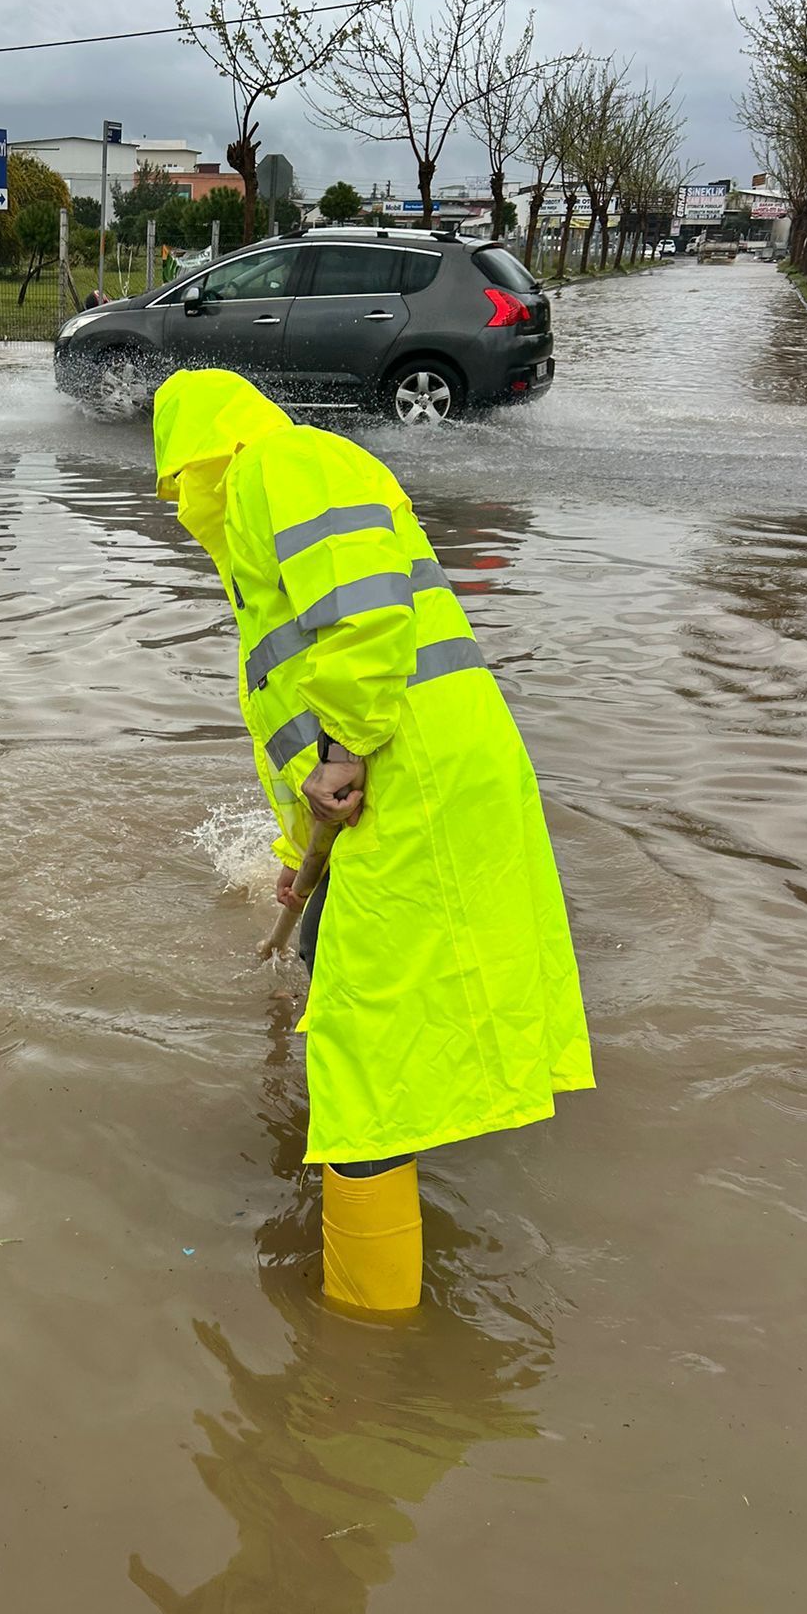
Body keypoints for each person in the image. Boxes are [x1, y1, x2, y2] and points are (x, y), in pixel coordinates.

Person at [153, 368, 594, 1314]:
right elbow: (295, 729)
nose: (184, 504)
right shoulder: (255, 555)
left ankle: (368, 1333)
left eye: (181, 481)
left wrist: (350, 749)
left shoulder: (286, 464)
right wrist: (293, 853)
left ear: (199, 455)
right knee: (339, 977)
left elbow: (365, 617)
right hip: (390, 783)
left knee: (364, 1058)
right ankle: (384, 1225)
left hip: (411, 778)